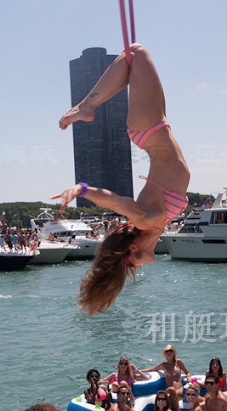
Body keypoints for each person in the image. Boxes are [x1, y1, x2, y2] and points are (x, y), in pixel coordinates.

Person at [52, 44, 190, 314]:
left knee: (135, 53)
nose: (140, 266)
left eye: (133, 265)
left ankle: (86, 106)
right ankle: (87, 106)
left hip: (150, 129)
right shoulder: (156, 224)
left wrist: (82, 189)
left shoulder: (145, 221)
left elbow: (117, 202)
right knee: (132, 61)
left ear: (133, 250)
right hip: (157, 128)